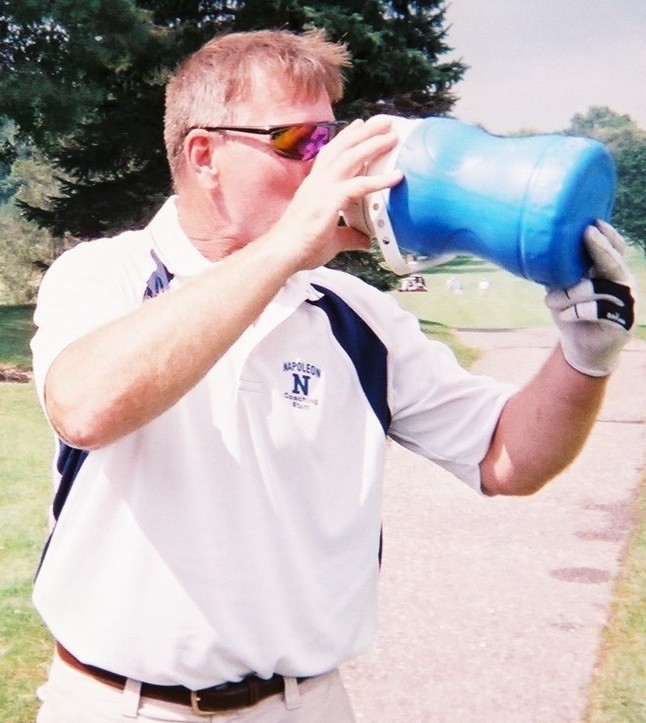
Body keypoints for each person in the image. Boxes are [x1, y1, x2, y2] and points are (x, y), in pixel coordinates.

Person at [31, 28, 636, 722]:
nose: (331, 169)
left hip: (306, 704)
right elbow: (85, 406)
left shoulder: (357, 315)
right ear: (205, 156)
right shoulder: (103, 273)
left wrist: (585, 353)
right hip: (119, 705)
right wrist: (291, 244)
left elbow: (508, 458)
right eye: (300, 145)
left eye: (334, 140)